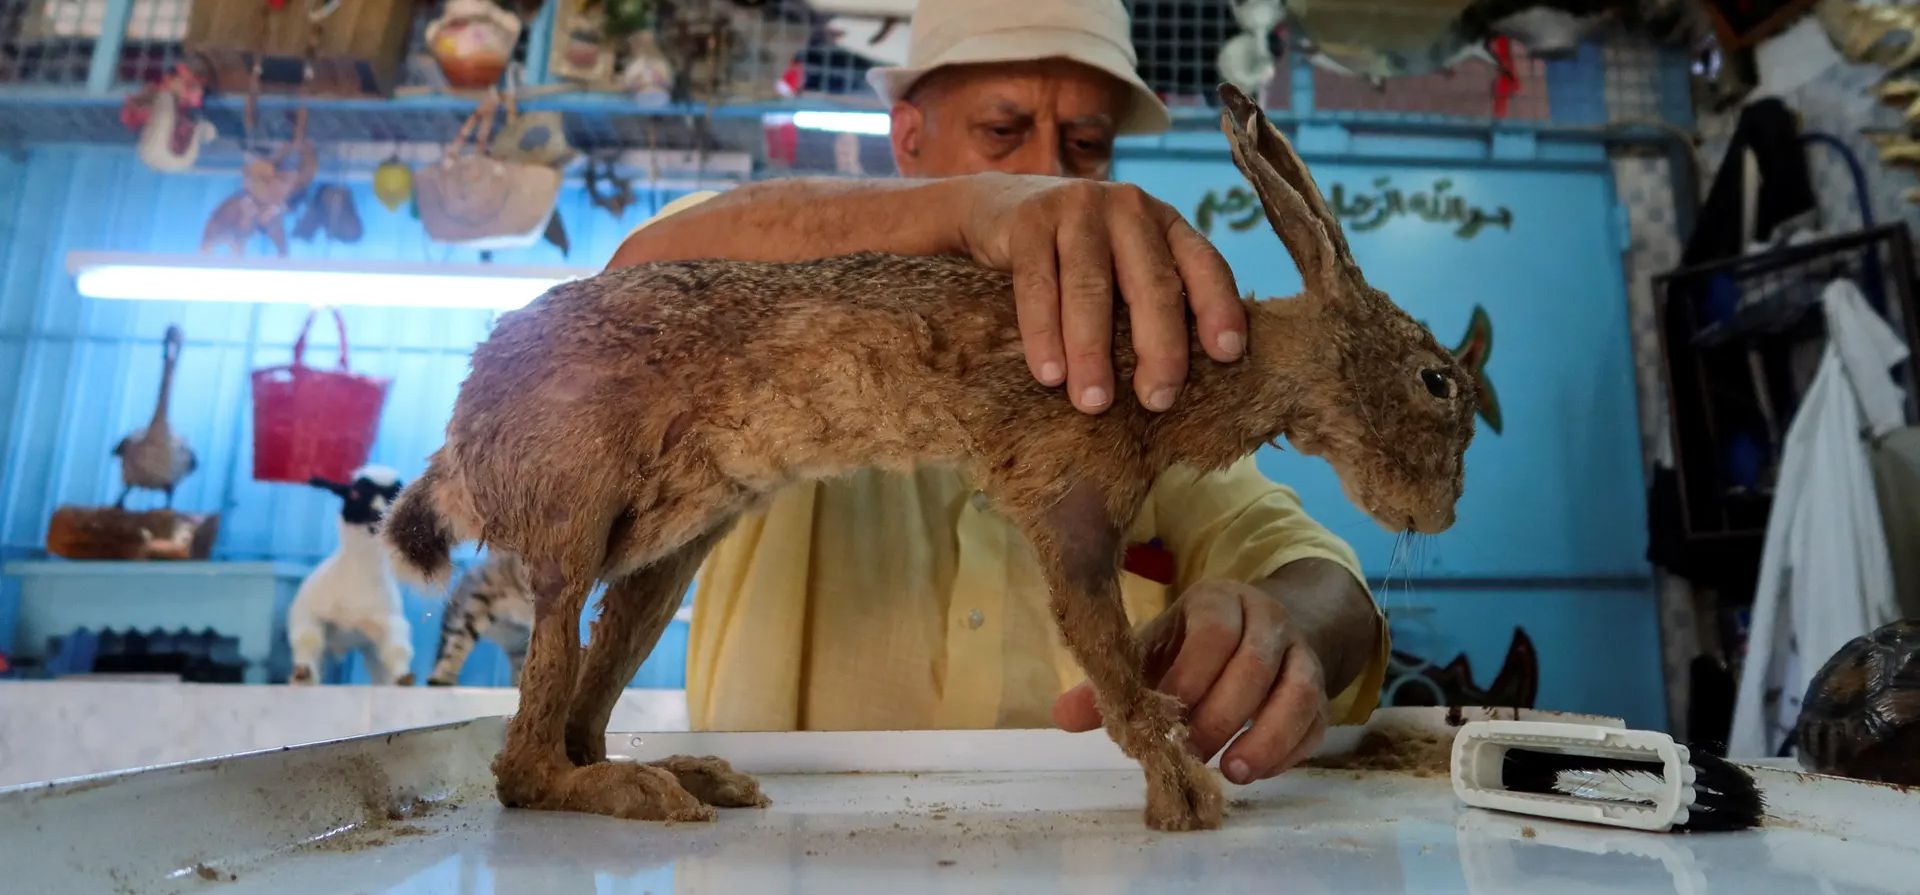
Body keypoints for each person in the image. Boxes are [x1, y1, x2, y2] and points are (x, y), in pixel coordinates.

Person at [609, 0, 1387, 787]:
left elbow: (1317, 568)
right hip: (782, 844)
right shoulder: (783, 312)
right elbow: (642, 276)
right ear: (908, 139)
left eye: (1084, 145)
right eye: (1001, 133)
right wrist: (968, 207)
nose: (1046, 170)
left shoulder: (1148, 381)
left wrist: (1293, 631)